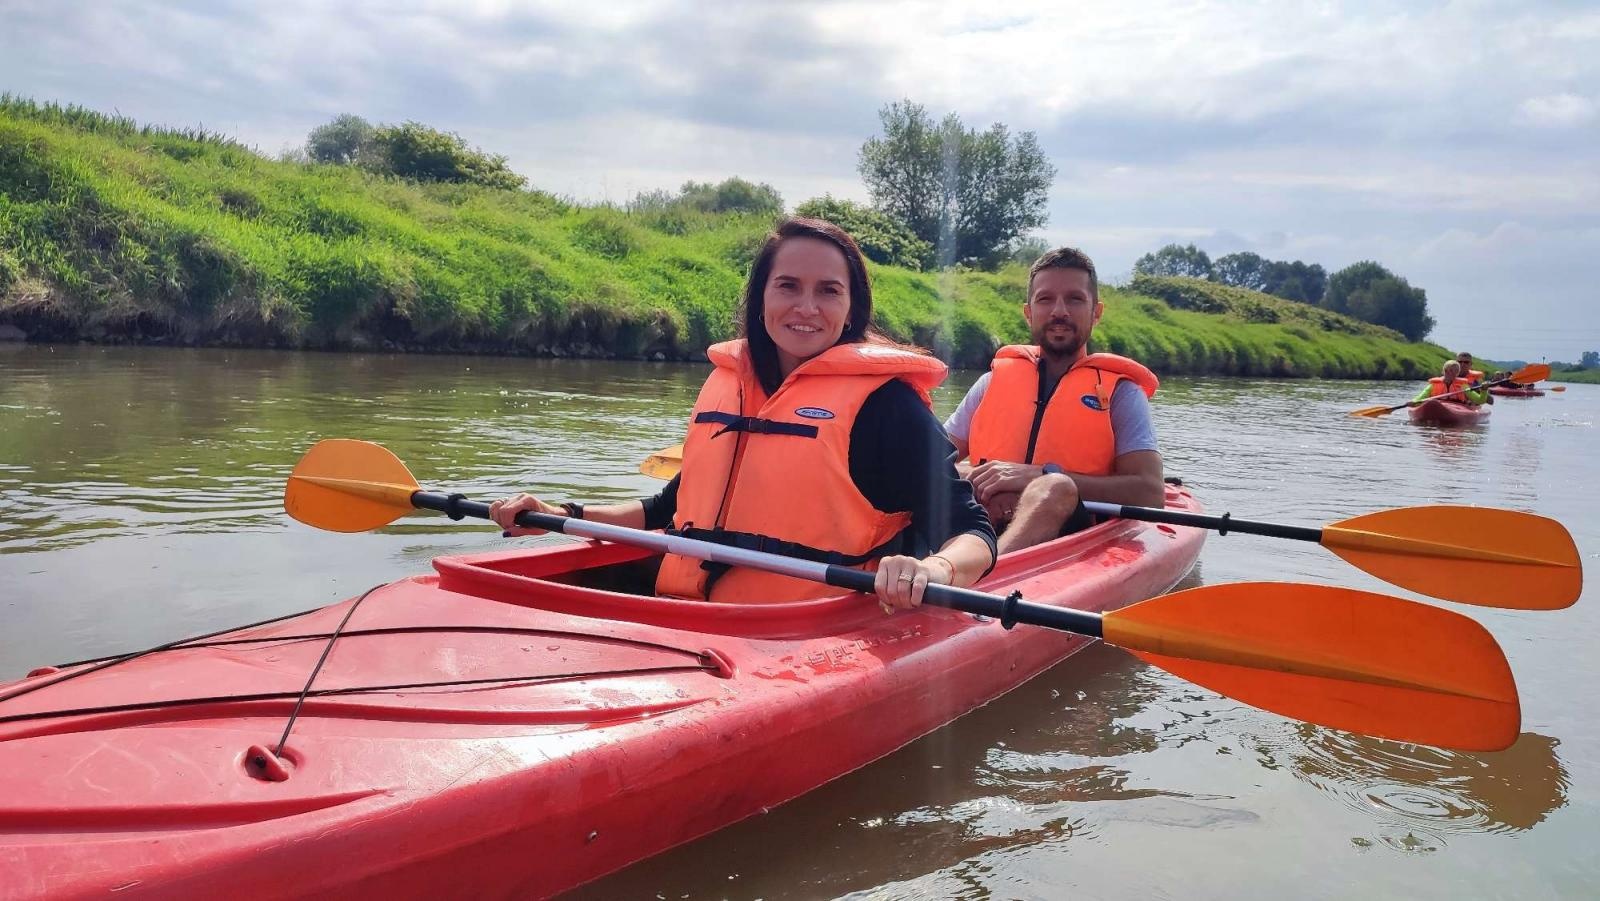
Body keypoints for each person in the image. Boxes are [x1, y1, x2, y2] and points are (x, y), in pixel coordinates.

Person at [489, 218, 997, 613]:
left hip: (805, 630)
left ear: (851, 308)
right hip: (686, 614)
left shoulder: (888, 406)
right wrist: (565, 517)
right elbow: (666, 509)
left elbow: (974, 532)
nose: (806, 307)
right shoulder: (730, 387)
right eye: (788, 286)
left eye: (828, 291)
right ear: (761, 299)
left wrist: (932, 571)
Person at [944, 247, 1163, 555]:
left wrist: (1038, 475)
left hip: (1073, 530)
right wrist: (983, 476)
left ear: (1096, 312)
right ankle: (936, 562)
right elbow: (933, 459)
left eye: (1075, 299)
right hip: (984, 519)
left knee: (1055, 487)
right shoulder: (992, 383)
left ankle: (988, 571)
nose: (1059, 311)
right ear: (1028, 312)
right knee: (944, 469)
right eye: (1045, 299)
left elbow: (1150, 493)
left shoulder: (1121, 393)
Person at [1414, 360, 1487, 405]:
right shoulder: (1433, 385)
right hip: (1437, 406)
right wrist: (1413, 402)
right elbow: (1421, 397)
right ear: (1444, 371)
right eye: (1449, 370)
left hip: (1458, 407)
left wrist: (1484, 390)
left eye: (1455, 371)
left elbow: (1480, 401)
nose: (1451, 373)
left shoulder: (1463, 386)